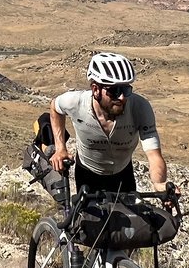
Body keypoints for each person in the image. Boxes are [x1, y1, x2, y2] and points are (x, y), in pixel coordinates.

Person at [49, 51, 169, 195]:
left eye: (126, 89)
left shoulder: (140, 107)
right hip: (87, 173)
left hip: (123, 174)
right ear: (95, 90)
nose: (122, 97)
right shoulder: (76, 102)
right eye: (115, 90)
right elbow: (55, 108)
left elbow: (154, 155)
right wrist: (60, 148)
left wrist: (159, 183)